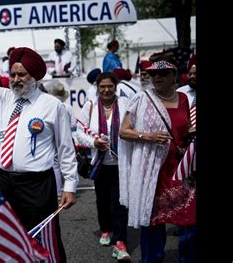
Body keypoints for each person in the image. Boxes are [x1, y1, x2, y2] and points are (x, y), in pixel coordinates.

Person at [0, 28, 78, 262]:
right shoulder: (1, 98)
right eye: (13, 74)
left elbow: (65, 149)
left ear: (34, 76)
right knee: (7, 238)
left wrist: (70, 186)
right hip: (4, 181)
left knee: (45, 241)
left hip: (37, 184)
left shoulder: (52, 106)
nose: (15, 80)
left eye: (21, 75)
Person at [118, 61, 196, 263]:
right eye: (152, 74)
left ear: (174, 76)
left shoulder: (184, 99)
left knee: (188, 220)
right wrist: (148, 136)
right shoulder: (141, 99)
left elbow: (184, 130)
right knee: (153, 223)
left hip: (180, 169)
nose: (156, 77)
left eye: (162, 73)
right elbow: (124, 131)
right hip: (152, 171)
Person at [76, 72, 130, 261]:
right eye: (102, 87)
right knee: (102, 200)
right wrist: (94, 142)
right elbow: (80, 132)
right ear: (97, 87)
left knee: (120, 202)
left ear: (116, 87)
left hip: (121, 162)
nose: (106, 90)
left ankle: (120, 239)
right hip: (99, 162)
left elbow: (131, 127)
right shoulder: (90, 105)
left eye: (110, 86)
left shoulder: (125, 104)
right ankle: (106, 229)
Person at [48, 83, 77, 197]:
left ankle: (58, 189)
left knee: (55, 163)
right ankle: (70, 185)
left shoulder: (52, 106)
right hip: (67, 136)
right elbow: (74, 124)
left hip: (53, 137)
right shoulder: (67, 106)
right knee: (68, 160)